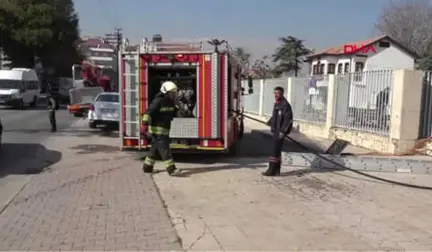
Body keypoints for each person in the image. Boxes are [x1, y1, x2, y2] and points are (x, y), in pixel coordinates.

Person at [140, 81, 181, 176]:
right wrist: (144, 125)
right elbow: (148, 112)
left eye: (174, 93)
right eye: (172, 93)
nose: (173, 95)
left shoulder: (170, 102)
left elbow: (171, 114)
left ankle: (147, 167)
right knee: (165, 149)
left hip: (165, 129)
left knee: (154, 150)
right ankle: (171, 169)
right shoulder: (158, 101)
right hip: (158, 130)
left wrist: (177, 108)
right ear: (165, 92)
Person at [263, 86, 293, 176]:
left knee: (274, 151)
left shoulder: (285, 105)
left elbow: (288, 120)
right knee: (277, 151)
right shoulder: (277, 104)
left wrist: (283, 132)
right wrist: (270, 122)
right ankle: (276, 170)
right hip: (276, 130)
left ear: (282, 93)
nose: (276, 95)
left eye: (278, 93)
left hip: (280, 132)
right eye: (274, 93)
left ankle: (271, 170)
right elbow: (275, 116)